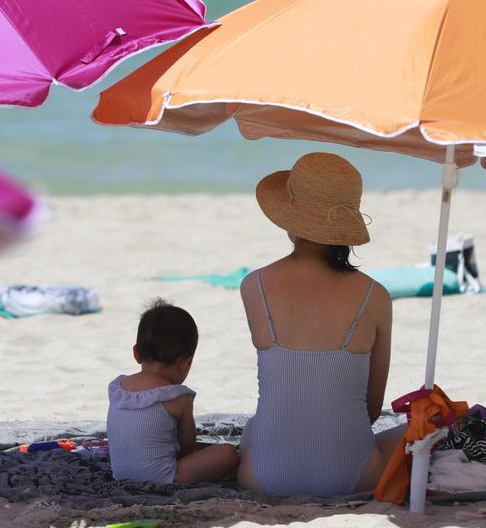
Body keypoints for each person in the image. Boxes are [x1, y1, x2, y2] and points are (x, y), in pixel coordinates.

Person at [237, 152, 405, 496]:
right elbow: (372, 409)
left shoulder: (253, 286)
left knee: (254, 428)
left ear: (291, 220)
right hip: (354, 476)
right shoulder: (375, 296)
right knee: (418, 432)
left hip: (264, 478)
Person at [107, 300, 240, 484]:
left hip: (120, 474)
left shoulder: (118, 388)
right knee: (228, 453)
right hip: (164, 477)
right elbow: (187, 447)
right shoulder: (177, 397)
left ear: (136, 353)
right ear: (185, 362)